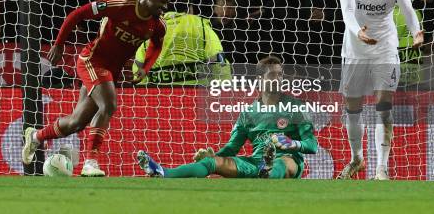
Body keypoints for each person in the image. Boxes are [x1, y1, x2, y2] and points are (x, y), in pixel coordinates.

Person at [22, 0, 172, 176]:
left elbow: (157, 44)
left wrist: (145, 67)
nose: (165, 7)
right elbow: (78, 14)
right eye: (162, 1)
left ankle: (36, 136)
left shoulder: (157, 25)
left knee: (77, 122)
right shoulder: (120, 6)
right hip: (92, 61)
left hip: (111, 72)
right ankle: (90, 162)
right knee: (109, 105)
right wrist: (59, 44)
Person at [136, 56, 318, 179]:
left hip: (288, 158)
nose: (278, 79)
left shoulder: (296, 106)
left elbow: (312, 145)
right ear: (260, 80)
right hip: (256, 162)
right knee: (213, 162)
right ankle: (163, 173)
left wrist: (292, 144)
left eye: (280, 74)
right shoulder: (248, 113)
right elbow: (233, 146)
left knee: (283, 162)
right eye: (272, 75)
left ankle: (268, 171)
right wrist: (213, 156)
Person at [336, 0, 423, 180]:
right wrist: (357, 32)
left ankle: (381, 168)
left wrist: (416, 31)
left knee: (384, 108)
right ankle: (356, 159)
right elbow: (348, 12)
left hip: (385, 47)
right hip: (355, 48)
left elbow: (407, 8)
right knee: (352, 108)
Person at [132, 11, 231, 85]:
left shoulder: (151, 31)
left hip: (161, 104)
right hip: (199, 103)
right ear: (189, 8)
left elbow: (138, 73)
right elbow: (220, 65)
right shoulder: (202, 28)